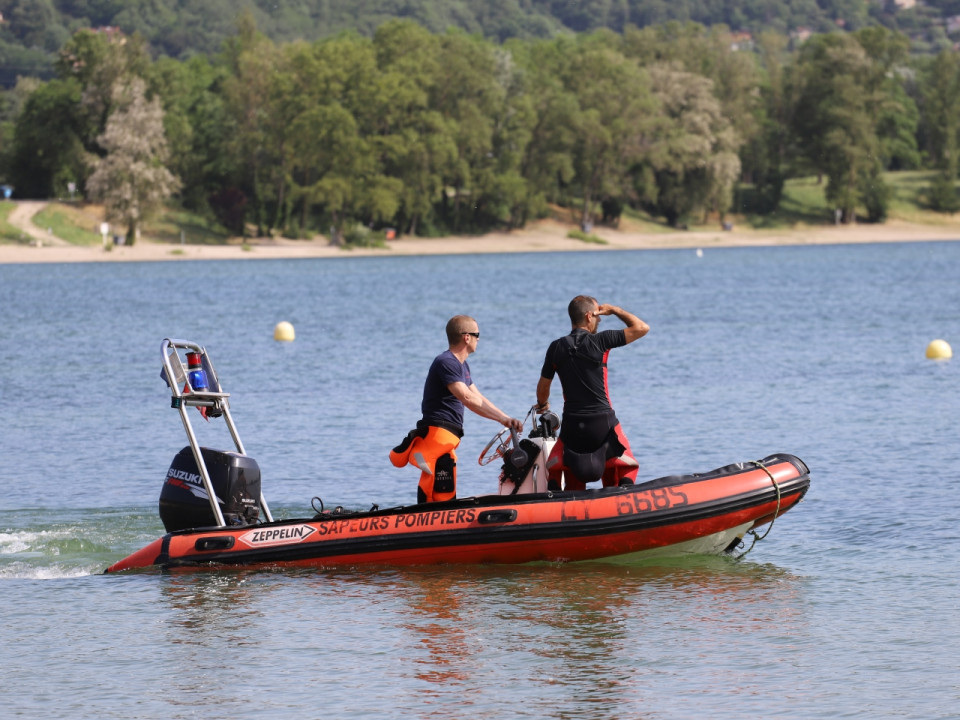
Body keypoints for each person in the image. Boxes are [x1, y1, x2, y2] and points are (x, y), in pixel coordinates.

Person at [391, 315, 523, 503]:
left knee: (444, 492)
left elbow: (478, 397)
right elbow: (466, 397)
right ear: (466, 337)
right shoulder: (446, 362)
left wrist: (506, 417)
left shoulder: (462, 365)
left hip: (449, 437)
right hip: (437, 435)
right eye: (477, 335)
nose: (479, 339)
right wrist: (502, 420)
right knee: (434, 489)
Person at [536, 296, 649, 491]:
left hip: (572, 426)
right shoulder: (601, 341)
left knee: (561, 464)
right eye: (598, 316)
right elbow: (641, 328)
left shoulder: (556, 348)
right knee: (626, 461)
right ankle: (625, 492)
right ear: (589, 316)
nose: (600, 320)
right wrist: (614, 310)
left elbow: (543, 386)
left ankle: (558, 495)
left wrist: (543, 404)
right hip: (602, 423)